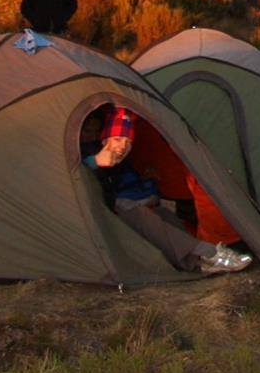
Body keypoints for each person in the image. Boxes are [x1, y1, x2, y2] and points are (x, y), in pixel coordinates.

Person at [82, 105, 250, 273]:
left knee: (163, 214)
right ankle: (210, 253)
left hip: (125, 201)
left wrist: (146, 180)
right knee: (137, 213)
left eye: (127, 142)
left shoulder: (109, 152)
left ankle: (199, 262)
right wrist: (94, 161)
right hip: (102, 209)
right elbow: (74, 170)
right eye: (117, 139)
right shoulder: (80, 150)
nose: (122, 146)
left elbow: (121, 181)